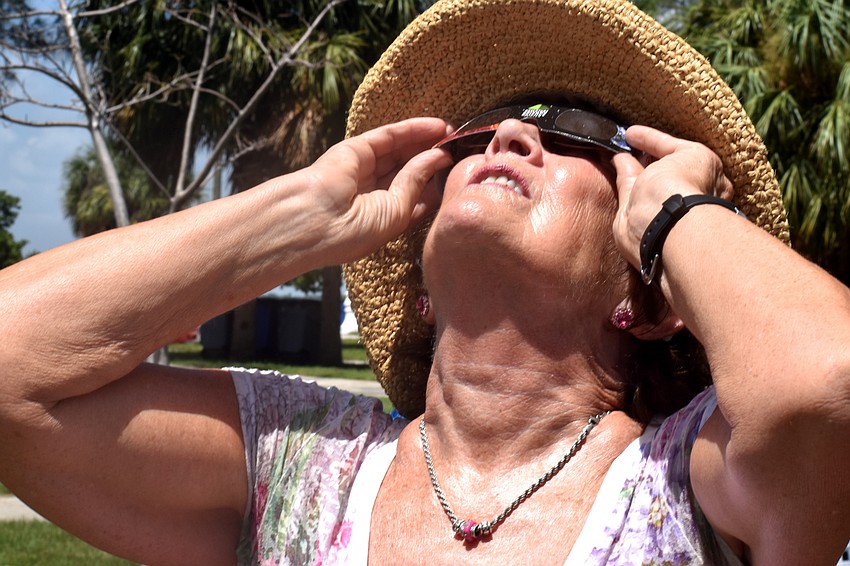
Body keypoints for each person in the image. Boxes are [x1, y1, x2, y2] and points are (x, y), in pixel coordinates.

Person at [1, 0, 848, 564]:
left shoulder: (694, 477)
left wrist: (676, 212)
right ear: (422, 294)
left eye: (579, 137)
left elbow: (828, 382)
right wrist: (299, 217)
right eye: (475, 135)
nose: (510, 135)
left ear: (646, 301)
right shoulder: (299, 461)